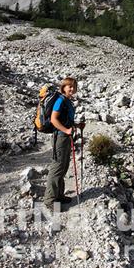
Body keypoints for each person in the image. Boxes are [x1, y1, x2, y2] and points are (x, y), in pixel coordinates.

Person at [43, 77, 84, 208]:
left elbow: (64, 119)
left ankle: (59, 195)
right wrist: (66, 130)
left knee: (64, 166)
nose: (72, 89)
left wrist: (76, 125)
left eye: (73, 86)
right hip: (60, 137)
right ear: (64, 88)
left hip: (65, 137)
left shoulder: (67, 101)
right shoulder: (60, 100)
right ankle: (50, 200)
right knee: (57, 167)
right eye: (69, 86)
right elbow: (54, 119)